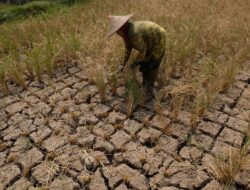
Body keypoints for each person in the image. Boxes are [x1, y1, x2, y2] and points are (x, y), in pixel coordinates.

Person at [107, 13, 166, 98]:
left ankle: (149, 88)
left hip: (158, 38)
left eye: (117, 31)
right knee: (144, 64)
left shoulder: (133, 33)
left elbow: (142, 51)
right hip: (148, 41)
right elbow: (128, 49)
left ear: (122, 28)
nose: (117, 33)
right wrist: (122, 64)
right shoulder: (126, 33)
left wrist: (133, 64)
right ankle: (145, 83)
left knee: (152, 64)